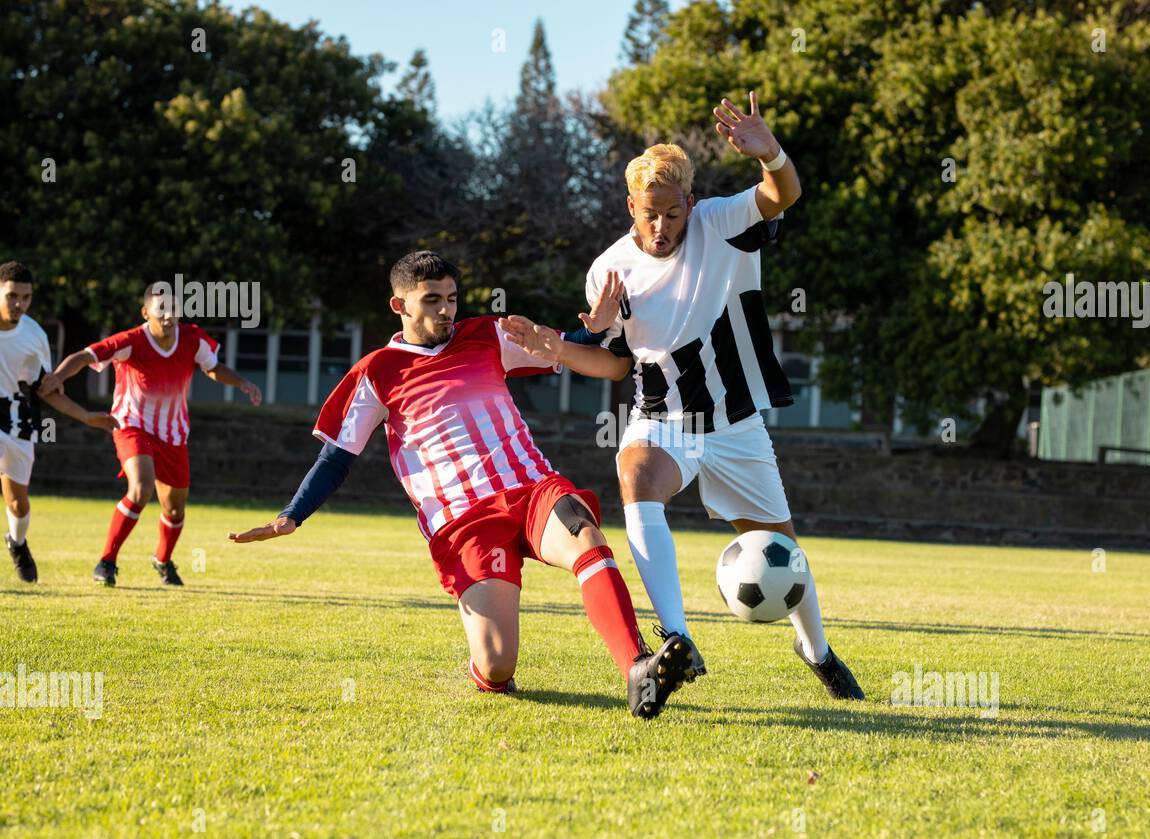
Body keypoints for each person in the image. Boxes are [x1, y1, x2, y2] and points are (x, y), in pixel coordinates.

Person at [228, 251, 704, 719]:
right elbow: (336, 458)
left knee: (585, 536)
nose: (446, 310)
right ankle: (490, 670)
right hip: (464, 521)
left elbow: (557, 344)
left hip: (532, 487)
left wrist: (596, 326)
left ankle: (638, 667)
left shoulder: (488, 333)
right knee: (498, 663)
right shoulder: (376, 371)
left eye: (452, 298)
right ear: (400, 305)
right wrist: (293, 514)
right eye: (432, 299)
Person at [507, 92, 864, 699]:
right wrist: (565, 344)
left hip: (735, 422)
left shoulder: (720, 223)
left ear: (689, 205)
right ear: (630, 206)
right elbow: (617, 365)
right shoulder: (608, 270)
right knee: (636, 474)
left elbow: (784, 195)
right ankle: (677, 640)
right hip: (662, 419)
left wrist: (771, 153)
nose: (661, 227)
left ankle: (817, 650)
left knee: (781, 550)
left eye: (672, 213)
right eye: (649, 214)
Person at [39, 281, 262, 586]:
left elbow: (212, 367)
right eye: (162, 310)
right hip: (131, 425)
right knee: (141, 489)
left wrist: (242, 383)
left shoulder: (193, 338)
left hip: (173, 432)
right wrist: (57, 376)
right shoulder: (131, 341)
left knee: (174, 507)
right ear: (146, 313)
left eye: (174, 309)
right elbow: (84, 357)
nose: (169, 316)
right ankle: (107, 561)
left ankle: (163, 560)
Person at [1, 261, 116, 582]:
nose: (19, 304)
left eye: (25, 297)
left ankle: (17, 542)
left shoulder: (34, 335)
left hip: (17, 420)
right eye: (12, 296)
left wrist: (86, 416)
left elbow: (46, 389)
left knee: (17, 503)